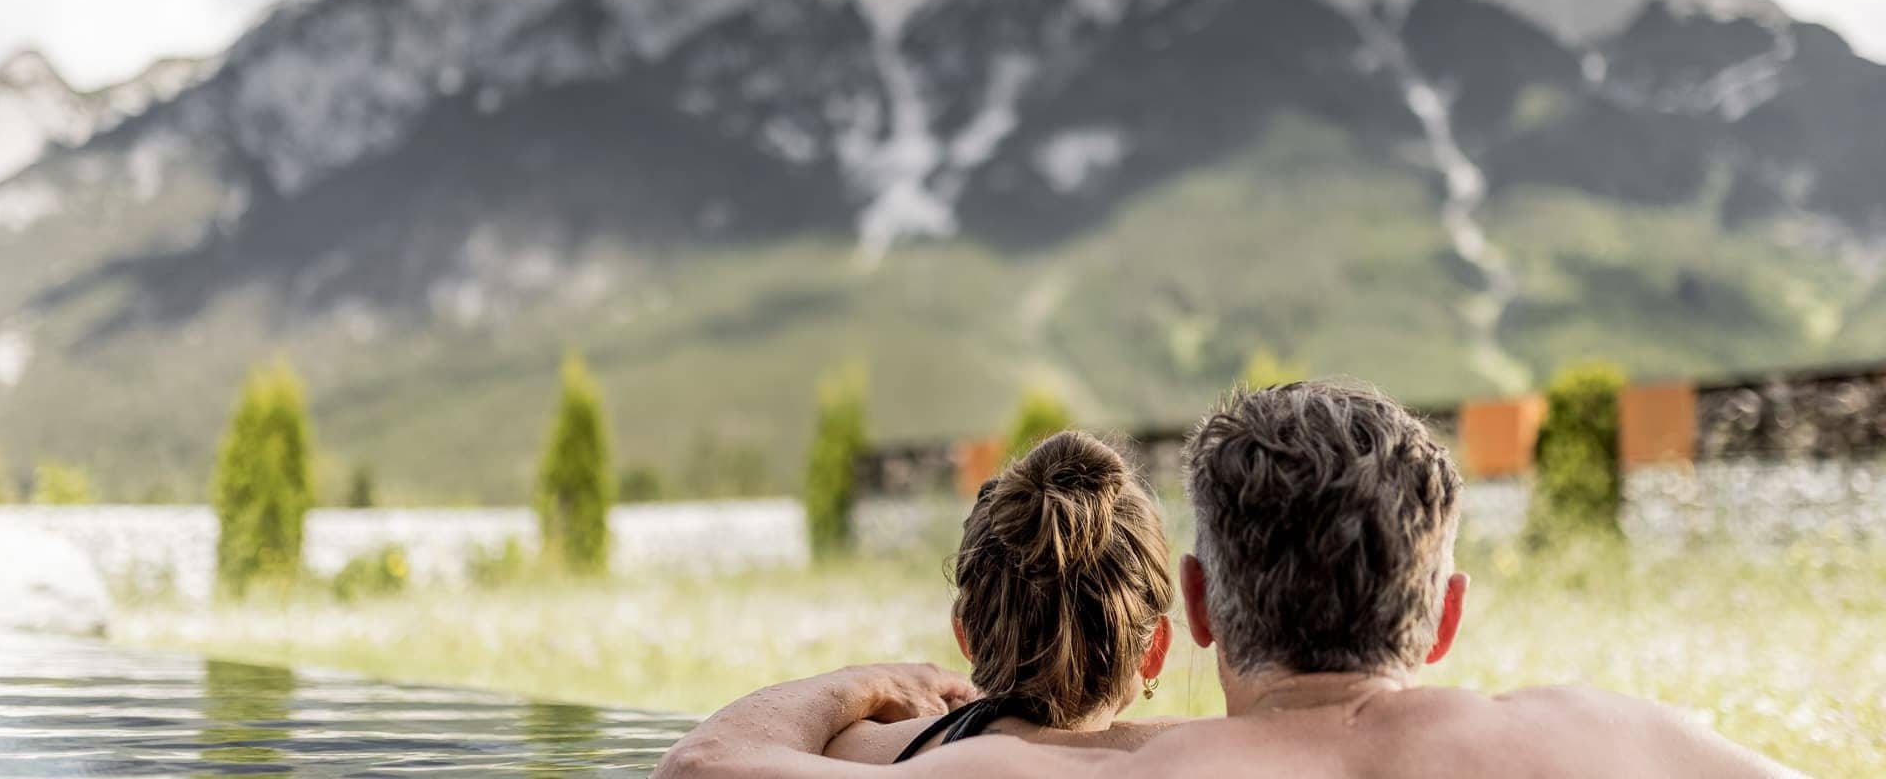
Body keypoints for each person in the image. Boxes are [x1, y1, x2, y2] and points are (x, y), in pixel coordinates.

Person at [655, 382, 1800, 779]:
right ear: (1445, 617)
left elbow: (705, 767)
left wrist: (852, 685)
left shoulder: (1069, 772)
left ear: (1197, 608)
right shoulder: (1618, 743)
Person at [825, 430, 1178, 762]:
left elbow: (786, 727)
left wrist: (873, 683)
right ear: (1155, 649)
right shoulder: (1191, 760)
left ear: (966, 634)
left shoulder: (862, 754)